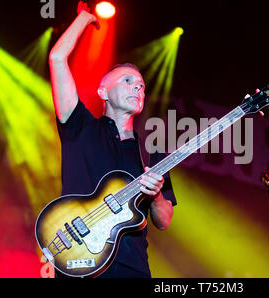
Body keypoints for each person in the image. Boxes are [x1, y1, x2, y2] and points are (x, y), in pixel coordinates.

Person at [49, 1, 176, 278]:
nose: (138, 87)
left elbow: (164, 221)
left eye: (141, 85)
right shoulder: (79, 126)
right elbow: (57, 59)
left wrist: (155, 194)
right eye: (128, 81)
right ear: (103, 91)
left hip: (133, 267)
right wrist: (84, 19)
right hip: (79, 261)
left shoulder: (150, 153)